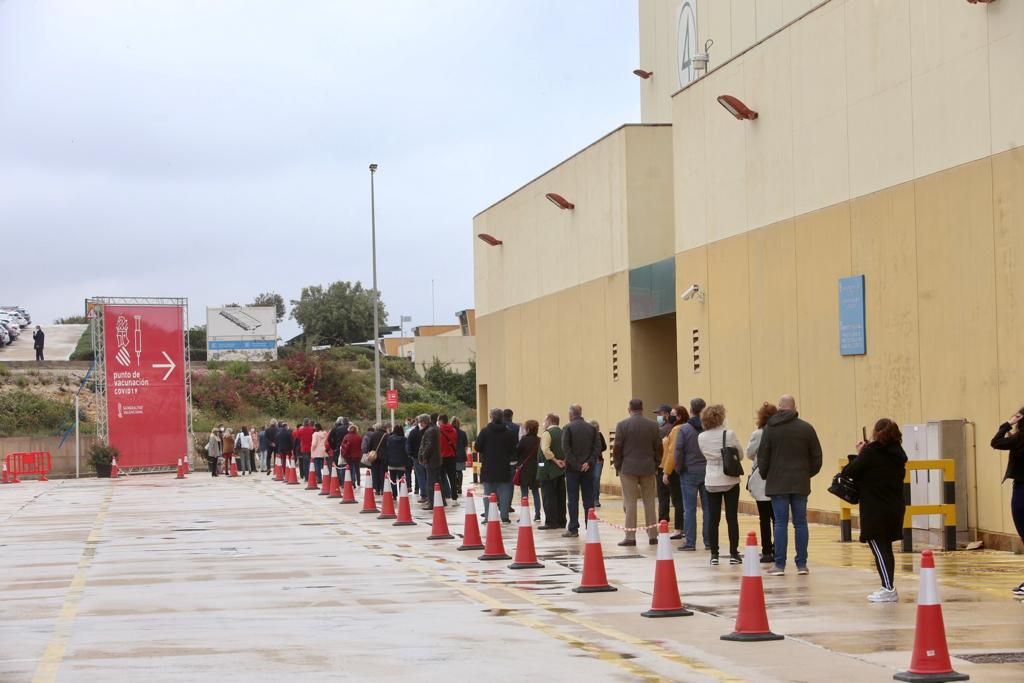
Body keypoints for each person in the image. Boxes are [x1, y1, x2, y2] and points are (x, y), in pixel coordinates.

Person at [842, 418, 908, 602]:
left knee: (878, 548)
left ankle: (888, 588)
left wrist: (860, 452)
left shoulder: (870, 453)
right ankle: (886, 585)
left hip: (875, 508)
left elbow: (850, 471)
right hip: (894, 506)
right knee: (885, 547)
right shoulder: (899, 454)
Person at [758, 394, 823, 576]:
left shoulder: (770, 429)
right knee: (800, 523)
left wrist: (766, 475)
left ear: (779, 407)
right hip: (800, 482)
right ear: (794, 408)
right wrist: (806, 473)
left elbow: (763, 456)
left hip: (777, 483)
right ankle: (802, 564)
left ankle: (779, 565)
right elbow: (817, 457)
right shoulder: (806, 428)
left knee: (780, 523)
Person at [697, 404, 743, 565]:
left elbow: (705, 454)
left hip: (711, 479)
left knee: (713, 518)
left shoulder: (701, 437)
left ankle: (714, 554)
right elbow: (740, 454)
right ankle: (733, 553)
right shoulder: (729, 434)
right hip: (729, 479)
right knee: (732, 518)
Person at [612, 399, 661, 546]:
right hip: (648, 467)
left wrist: (618, 465)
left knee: (630, 502)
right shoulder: (653, 425)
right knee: (650, 502)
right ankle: (653, 535)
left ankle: (630, 536)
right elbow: (659, 447)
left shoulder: (622, 425)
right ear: (642, 409)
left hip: (628, 468)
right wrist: (656, 463)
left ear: (629, 409)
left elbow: (617, 448)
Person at [990, 409, 1024, 596]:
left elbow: (995, 442)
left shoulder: (1018, 440)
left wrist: (1007, 424)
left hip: (1021, 492)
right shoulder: (1017, 441)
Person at [561, 404, 601, 538]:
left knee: (573, 499)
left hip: (573, 470)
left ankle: (573, 528)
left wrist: (577, 465)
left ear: (571, 415)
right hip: (588, 469)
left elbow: (566, 450)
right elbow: (597, 448)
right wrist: (588, 462)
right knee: (588, 499)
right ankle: (590, 527)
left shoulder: (567, 428)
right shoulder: (592, 428)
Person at [746, 402, 778, 564]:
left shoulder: (758, 434)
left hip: (761, 479)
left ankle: (766, 551)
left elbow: (750, 454)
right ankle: (778, 549)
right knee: (777, 519)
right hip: (778, 478)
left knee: (764, 518)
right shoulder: (780, 432)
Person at [674, 406, 709, 551]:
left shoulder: (684, 429)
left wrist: (679, 468)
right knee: (708, 509)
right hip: (707, 471)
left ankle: (690, 542)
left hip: (688, 472)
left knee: (689, 509)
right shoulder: (707, 428)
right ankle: (709, 541)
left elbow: (678, 449)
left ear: (691, 409)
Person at [475, 408, 516, 523]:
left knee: (488, 493)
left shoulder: (485, 431)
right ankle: (504, 516)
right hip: (504, 466)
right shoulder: (508, 433)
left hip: (488, 466)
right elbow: (513, 449)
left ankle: (488, 516)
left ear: (491, 417)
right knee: (505, 492)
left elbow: (477, 447)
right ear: (502, 417)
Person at [655, 404, 685, 540]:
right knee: (676, 499)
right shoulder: (673, 428)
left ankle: (677, 528)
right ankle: (678, 526)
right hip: (670, 467)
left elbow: (671, 452)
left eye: (672, 414)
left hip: (671, 468)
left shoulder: (675, 429)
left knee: (675, 499)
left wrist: (666, 471)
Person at [538, 414, 567, 530]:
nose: (543, 423)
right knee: (560, 496)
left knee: (548, 496)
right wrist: (564, 461)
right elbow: (567, 448)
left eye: (544, 421)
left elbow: (545, 449)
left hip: (548, 470)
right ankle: (561, 521)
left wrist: (555, 460)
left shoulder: (547, 434)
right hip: (561, 471)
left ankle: (551, 522)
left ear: (549, 421)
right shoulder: (563, 432)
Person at [515, 420, 541, 518]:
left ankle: (524, 515)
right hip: (535, 470)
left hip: (524, 470)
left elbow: (517, 452)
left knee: (524, 493)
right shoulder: (539, 440)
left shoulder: (523, 439)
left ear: (528, 429)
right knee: (535, 492)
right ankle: (537, 514)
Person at [417, 414, 444, 509]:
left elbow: (429, 446)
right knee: (437, 481)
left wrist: (423, 456)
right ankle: (441, 500)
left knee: (431, 482)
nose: (420, 424)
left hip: (431, 460)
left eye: (420, 422)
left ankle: (432, 502)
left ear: (424, 422)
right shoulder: (435, 429)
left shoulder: (430, 431)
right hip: (436, 459)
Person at [438, 414, 460, 502]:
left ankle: (443, 496)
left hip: (442, 457)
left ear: (440, 421)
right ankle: (454, 495)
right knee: (452, 477)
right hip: (452, 456)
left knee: (442, 478)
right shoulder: (454, 430)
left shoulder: (439, 430)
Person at [384, 423, 408, 496]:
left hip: (391, 462)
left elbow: (387, 450)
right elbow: (406, 451)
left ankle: (394, 495)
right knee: (402, 479)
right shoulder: (404, 440)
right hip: (402, 462)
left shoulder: (389, 439)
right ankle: (402, 493)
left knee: (393, 479)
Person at [406, 418, 426, 502]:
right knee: (428, 476)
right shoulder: (429, 431)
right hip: (427, 457)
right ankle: (429, 493)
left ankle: (424, 494)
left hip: (416, 457)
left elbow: (408, 444)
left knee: (420, 476)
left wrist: (410, 454)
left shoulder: (413, 432)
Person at [341, 424, 363, 488]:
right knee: (357, 469)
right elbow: (361, 446)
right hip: (357, 455)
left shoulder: (346, 437)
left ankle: (352, 482)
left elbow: (343, 446)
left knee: (350, 469)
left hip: (348, 455)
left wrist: (343, 454)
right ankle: (358, 481)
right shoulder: (359, 437)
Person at [591, 420, 607, 508]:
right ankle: (591, 498)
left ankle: (596, 499)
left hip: (598, 461)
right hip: (589, 461)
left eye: (596, 428)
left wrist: (598, 450)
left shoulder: (599, 435)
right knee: (590, 479)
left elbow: (605, 446)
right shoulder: (587, 437)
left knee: (596, 479)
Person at [452, 417, 469, 497]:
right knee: (460, 471)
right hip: (461, 454)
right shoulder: (463, 433)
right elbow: (466, 445)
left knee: (453, 472)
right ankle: (460, 487)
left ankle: (455, 486)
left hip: (452, 454)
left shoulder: (450, 432)